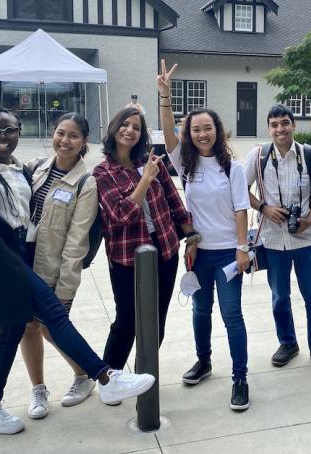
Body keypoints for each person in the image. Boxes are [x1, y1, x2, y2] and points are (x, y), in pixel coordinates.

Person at [0, 107, 155, 435]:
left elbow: (68, 235)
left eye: (10, 131)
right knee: (51, 314)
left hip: (20, 258)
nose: (3, 137)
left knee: (12, 331)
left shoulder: (18, 168)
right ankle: (105, 376)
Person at [157, 60, 252, 411]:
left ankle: (240, 378)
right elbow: (167, 135)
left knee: (232, 316)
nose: (201, 134)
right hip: (198, 252)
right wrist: (165, 97)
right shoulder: (186, 163)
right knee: (200, 311)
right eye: (195, 129)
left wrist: (243, 249)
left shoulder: (234, 167)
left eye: (207, 128)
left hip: (228, 252)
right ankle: (204, 361)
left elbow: (241, 209)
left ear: (218, 130)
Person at [93, 106, 194, 402]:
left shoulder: (151, 161)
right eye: (124, 125)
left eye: (136, 127)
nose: (130, 131)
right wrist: (144, 180)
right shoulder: (103, 172)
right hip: (127, 258)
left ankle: (141, 373)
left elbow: (175, 202)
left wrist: (191, 235)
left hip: (164, 250)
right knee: (127, 320)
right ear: (114, 129)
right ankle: (109, 379)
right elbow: (121, 214)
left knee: (156, 320)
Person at [17, 113, 100, 419]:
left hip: (53, 267)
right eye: (60, 133)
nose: (65, 141)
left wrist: (66, 286)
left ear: (84, 143)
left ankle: (83, 375)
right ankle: (38, 389)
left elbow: (77, 241)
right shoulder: (36, 167)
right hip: (24, 262)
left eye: (73, 136)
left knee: (53, 328)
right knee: (28, 327)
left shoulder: (85, 183)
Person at [244, 104, 311, 371]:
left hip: (306, 238)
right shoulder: (258, 155)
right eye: (274, 125)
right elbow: (241, 189)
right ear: (268, 128)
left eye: (285, 123)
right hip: (273, 239)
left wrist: (310, 218)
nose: (280, 129)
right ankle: (288, 343)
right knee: (280, 297)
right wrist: (264, 208)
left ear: (293, 125)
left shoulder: (310, 155)